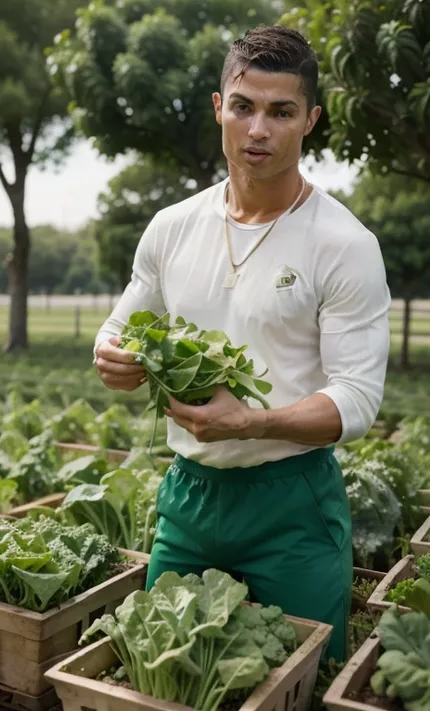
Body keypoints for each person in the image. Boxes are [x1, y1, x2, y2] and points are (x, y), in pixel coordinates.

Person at [93, 25, 391, 662]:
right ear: (218, 107)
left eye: (281, 112)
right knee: (165, 676)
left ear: (310, 119)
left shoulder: (344, 243)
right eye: (244, 107)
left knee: (301, 677)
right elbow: (119, 329)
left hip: (292, 501)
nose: (259, 129)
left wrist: (250, 422)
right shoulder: (172, 227)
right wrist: (113, 357)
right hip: (189, 498)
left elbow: (358, 401)